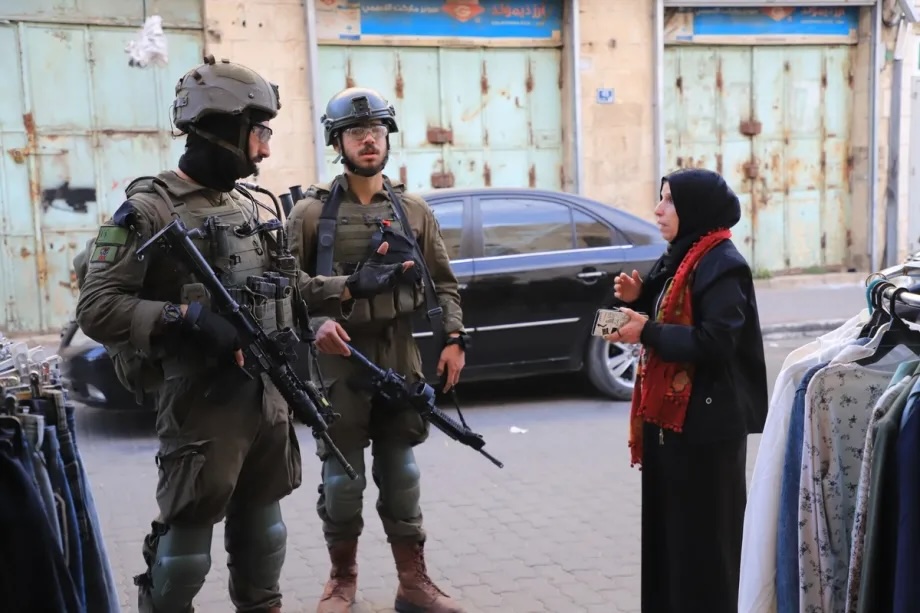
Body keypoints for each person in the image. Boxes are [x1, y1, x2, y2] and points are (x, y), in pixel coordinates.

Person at [74, 58, 411, 613]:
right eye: (259, 133)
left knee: (265, 537)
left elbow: (290, 286)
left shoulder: (249, 205)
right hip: (200, 407)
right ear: (223, 127)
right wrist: (185, 319)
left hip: (266, 398)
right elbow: (98, 306)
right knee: (185, 556)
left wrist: (349, 286)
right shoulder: (148, 209)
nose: (265, 150)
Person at [284, 86, 468, 613]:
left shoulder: (411, 209)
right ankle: (342, 581)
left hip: (399, 351)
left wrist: (453, 339)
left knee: (403, 474)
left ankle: (413, 584)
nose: (369, 140)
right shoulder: (310, 213)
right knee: (343, 479)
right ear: (337, 142)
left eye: (377, 131)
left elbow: (445, 284)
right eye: (356, 132)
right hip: (338, 359)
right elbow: (286, 286)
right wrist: (317, 321)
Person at [607, 168, 769, 613]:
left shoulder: (722, 263)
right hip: (672, 423)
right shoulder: (683, 254)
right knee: (673, 538)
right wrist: (641, 298)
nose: (658, 210)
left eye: (669, 201)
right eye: (660, 199)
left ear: (695, 210)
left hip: (706, 429)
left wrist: (647, 331)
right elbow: (669, 310)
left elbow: (717, 341)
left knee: (705, 545)